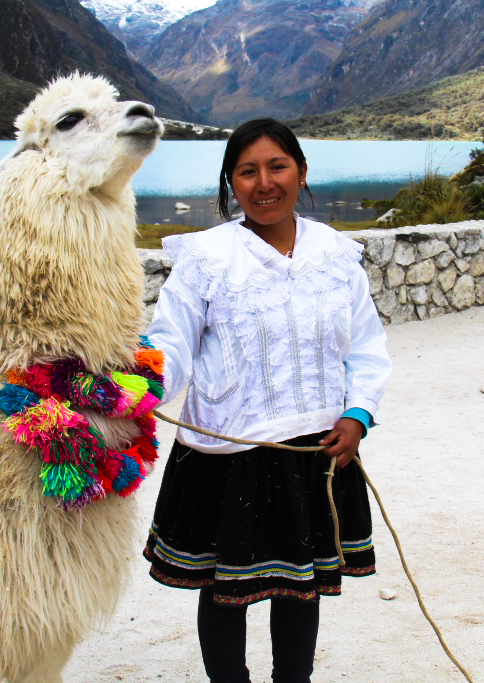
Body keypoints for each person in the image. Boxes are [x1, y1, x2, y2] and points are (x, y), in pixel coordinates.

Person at [142, 118, 392, 683]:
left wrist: (358, 415)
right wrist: (135, 385)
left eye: (277, 166)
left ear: (302, 173)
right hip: (229, 453)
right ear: (231, 182)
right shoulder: (205, 258)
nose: (264, 183)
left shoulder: (335, 256)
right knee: (225, 589)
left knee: (300, 589)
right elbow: (171, 344)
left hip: (315, 449)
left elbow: (366, 348)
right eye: (247, 171)